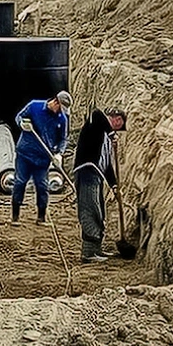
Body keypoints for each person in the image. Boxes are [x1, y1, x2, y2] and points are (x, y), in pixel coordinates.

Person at [72, 107, 126, 263]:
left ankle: (96, 249)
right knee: (90, 208)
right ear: (115, 118)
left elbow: (107, 165)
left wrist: (114, 185)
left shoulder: (106, 139)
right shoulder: (95, 123)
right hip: (87, 170)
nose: (119, 127)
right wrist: (110, 132)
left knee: (99, 210)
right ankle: (88, 252)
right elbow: (96, 113)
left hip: (97, 175)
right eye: (119, 123)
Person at [12, 90, 70, 226]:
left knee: (42, 186)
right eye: (60, 108)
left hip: (43, 158)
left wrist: (59, 154)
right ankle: (15, 216)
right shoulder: (34, 106)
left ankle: (41, 217)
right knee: (20, 182)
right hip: (25, 153)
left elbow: (63, 139)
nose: (60, 112)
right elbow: (18, 117)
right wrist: (22, 124)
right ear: (55, 101)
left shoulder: (62, 119)